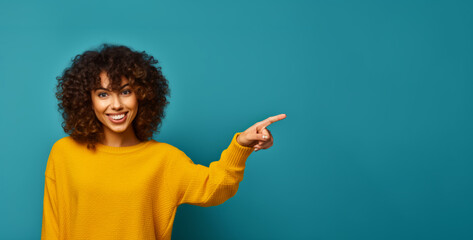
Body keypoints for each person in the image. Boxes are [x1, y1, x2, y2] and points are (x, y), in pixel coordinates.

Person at [41, 44, 286, 240]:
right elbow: (52, 228)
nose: (116, 104)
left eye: (126, 91)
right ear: (88, 101)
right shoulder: (64, 153)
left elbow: (216, 188)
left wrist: (241, 145)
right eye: (103, 94)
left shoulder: (164, 160)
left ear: (142, 95)